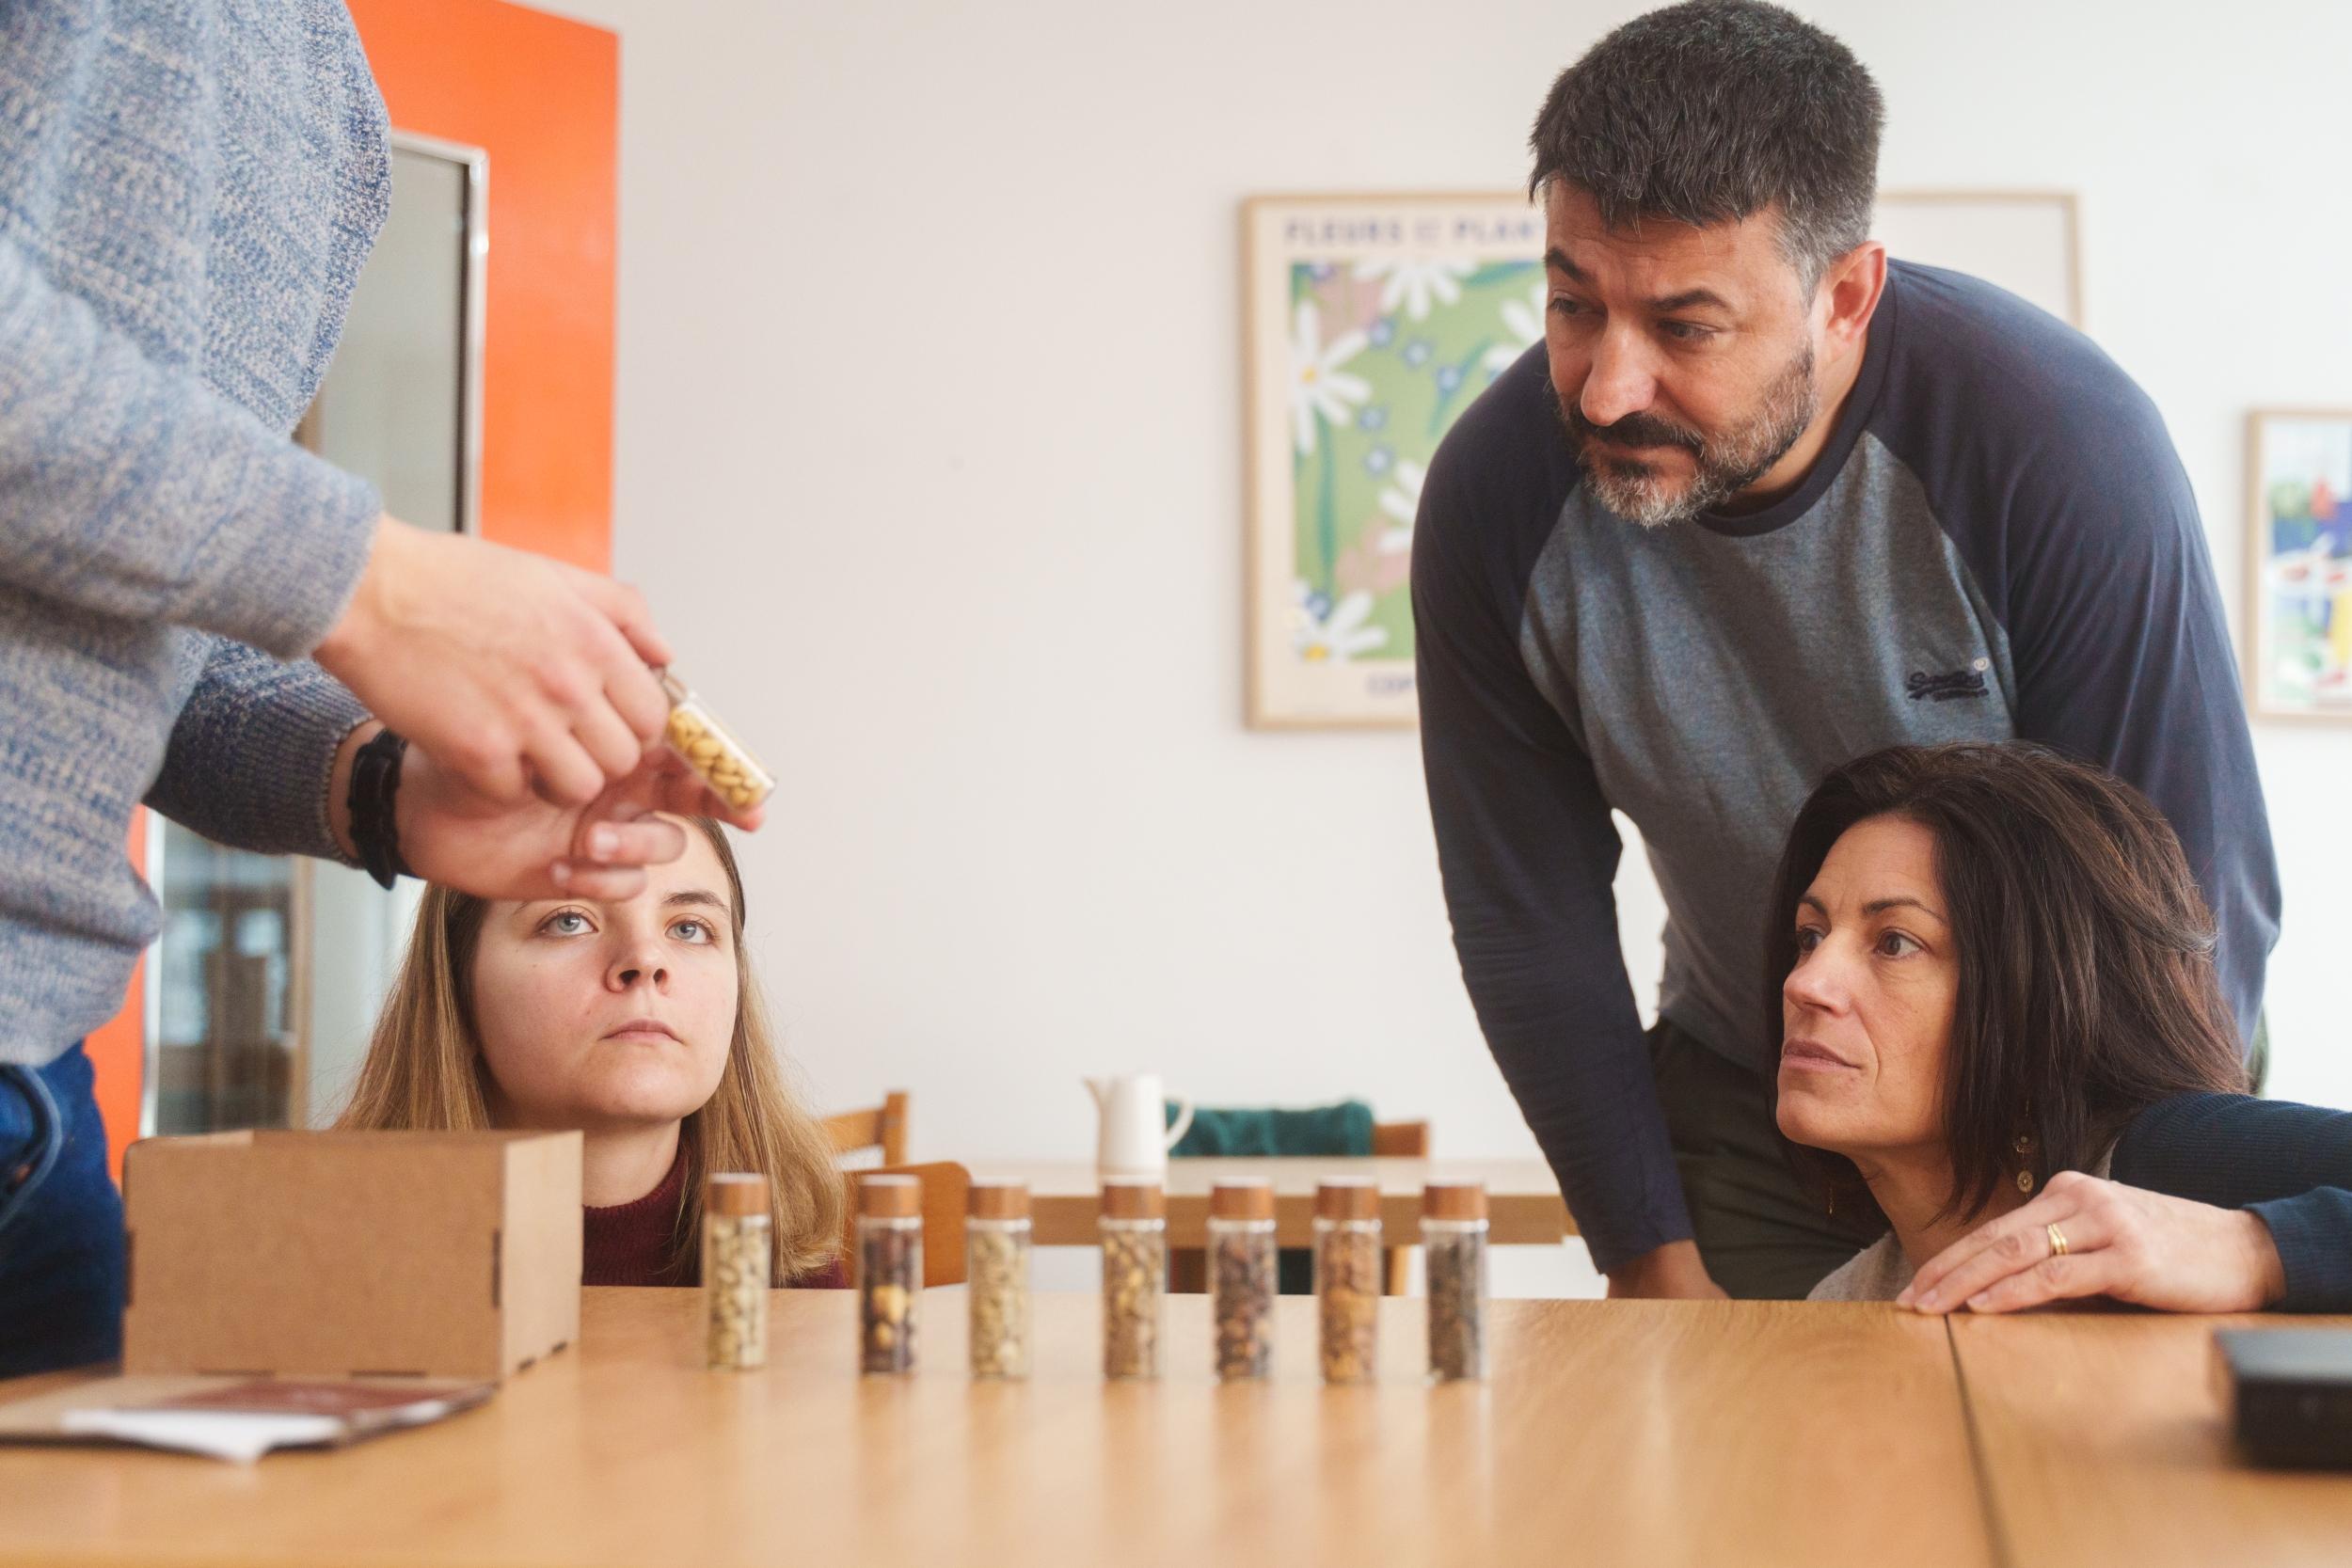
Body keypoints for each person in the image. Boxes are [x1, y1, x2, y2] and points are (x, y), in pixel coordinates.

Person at [1411, 0, 2278, 1300]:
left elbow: (2179, 886)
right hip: (1762, 1085)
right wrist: (1647, 1257)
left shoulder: (2056, 446)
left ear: (1847, 295)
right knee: (1740, 1422)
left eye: (1686, 327)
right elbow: (1528, 913)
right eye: (1573, 305)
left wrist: (2127, 1209)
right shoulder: (1494, 500)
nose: (1605, 386)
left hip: (2089, 1079)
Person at [0, 2, 752, 1373]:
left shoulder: (328, 106)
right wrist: (368, 581)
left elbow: (128, 620)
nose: (645, 959)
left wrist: (377, 783)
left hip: (35, 1079)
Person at [1767, 743, 2349, 1312]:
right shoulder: (1843, 1301)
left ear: (2039, 998)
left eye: (1895, 943)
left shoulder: (2163, 1159)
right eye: (1810, 937)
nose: (1805, 983)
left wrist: (2252, 1250)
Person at [338, 817, 846, 1288]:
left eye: (689, 928)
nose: (646, 959)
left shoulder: (793, 1269)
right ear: (457, 992)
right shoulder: (341, 1264)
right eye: (568, 920)